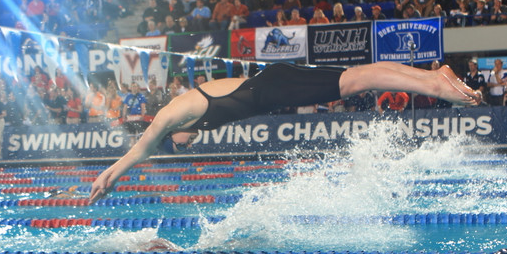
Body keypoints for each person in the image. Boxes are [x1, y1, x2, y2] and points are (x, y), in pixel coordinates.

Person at [89, 62, 483, 200]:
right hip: (270, 86)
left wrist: (108, 177)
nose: (186, 145)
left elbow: (140, 149)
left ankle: (433, 86)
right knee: (358, 78)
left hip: (270, 88)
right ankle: (434, 77)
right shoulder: (188, 118)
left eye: (176, 146)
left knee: (355, 82)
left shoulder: (170, 116)